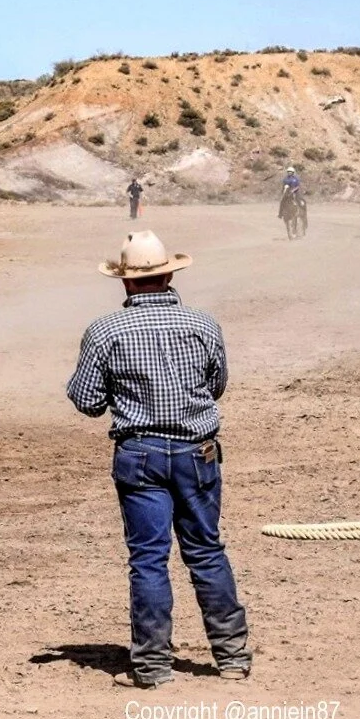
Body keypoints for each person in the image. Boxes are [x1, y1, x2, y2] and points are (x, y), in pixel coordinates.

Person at [66, 230, 251, 690]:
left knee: (148, 559)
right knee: (205, 550)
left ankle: (152, 667)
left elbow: (87, 401)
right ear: (169, 276)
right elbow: (216, 385)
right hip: (196, 451)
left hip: (140, 454)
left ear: (126, 282)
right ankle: (232, 657)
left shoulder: (104, 331)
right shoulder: (203, 324)